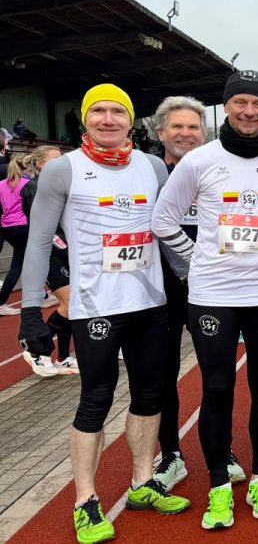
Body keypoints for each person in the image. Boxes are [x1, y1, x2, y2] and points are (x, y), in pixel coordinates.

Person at [21, 84, 189, 543]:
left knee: (150, 395)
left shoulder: (152, 165)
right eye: (99, 112)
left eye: (118, 111)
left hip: (150, 304)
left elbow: (166, 228)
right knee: (96, 398)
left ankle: (141, 482)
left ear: (131, 120)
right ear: (86, 120)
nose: (109, 119)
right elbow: (37, 241)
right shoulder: (62, 169)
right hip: (97, 307)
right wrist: (30, 311)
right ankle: (86, 500)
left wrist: (192, 277)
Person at [153, 70, 258, 529]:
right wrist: (195, 258)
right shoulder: (200, 160)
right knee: (217, 389)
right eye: (240, 102)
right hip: (213, 296)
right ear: (228, 106)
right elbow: (164, 220)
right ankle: (219, 487)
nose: (248, 111)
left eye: (257, 104)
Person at [149, 95, 208, 490]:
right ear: (160, 132)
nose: (186, 134)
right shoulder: (145, 172)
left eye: (193, 128)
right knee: (163, 374)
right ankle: (171, 452)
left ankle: (222, 449)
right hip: (161, 291)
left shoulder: (215, 169)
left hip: (208, 288)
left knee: (217, 373)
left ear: (203, 134)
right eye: (177, 127)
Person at [19, 145, 75, 374]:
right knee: (70, 304)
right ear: (40, 164)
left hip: (68, 251)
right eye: (54, 160)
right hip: (50, 254)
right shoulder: (34, 188)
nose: (60, 164)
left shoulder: (63, 185)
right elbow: (43, 228)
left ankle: (63, 356)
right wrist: (64, 243)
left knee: (72, 306)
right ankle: (37, 351)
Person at [0, 154, 31, 313]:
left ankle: (44, 297)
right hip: (23, 226)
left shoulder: (0, 185)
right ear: (25, 168)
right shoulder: (27, 184)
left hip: (7, 227)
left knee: (27, 261)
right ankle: (1, 302)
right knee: (17, 265)